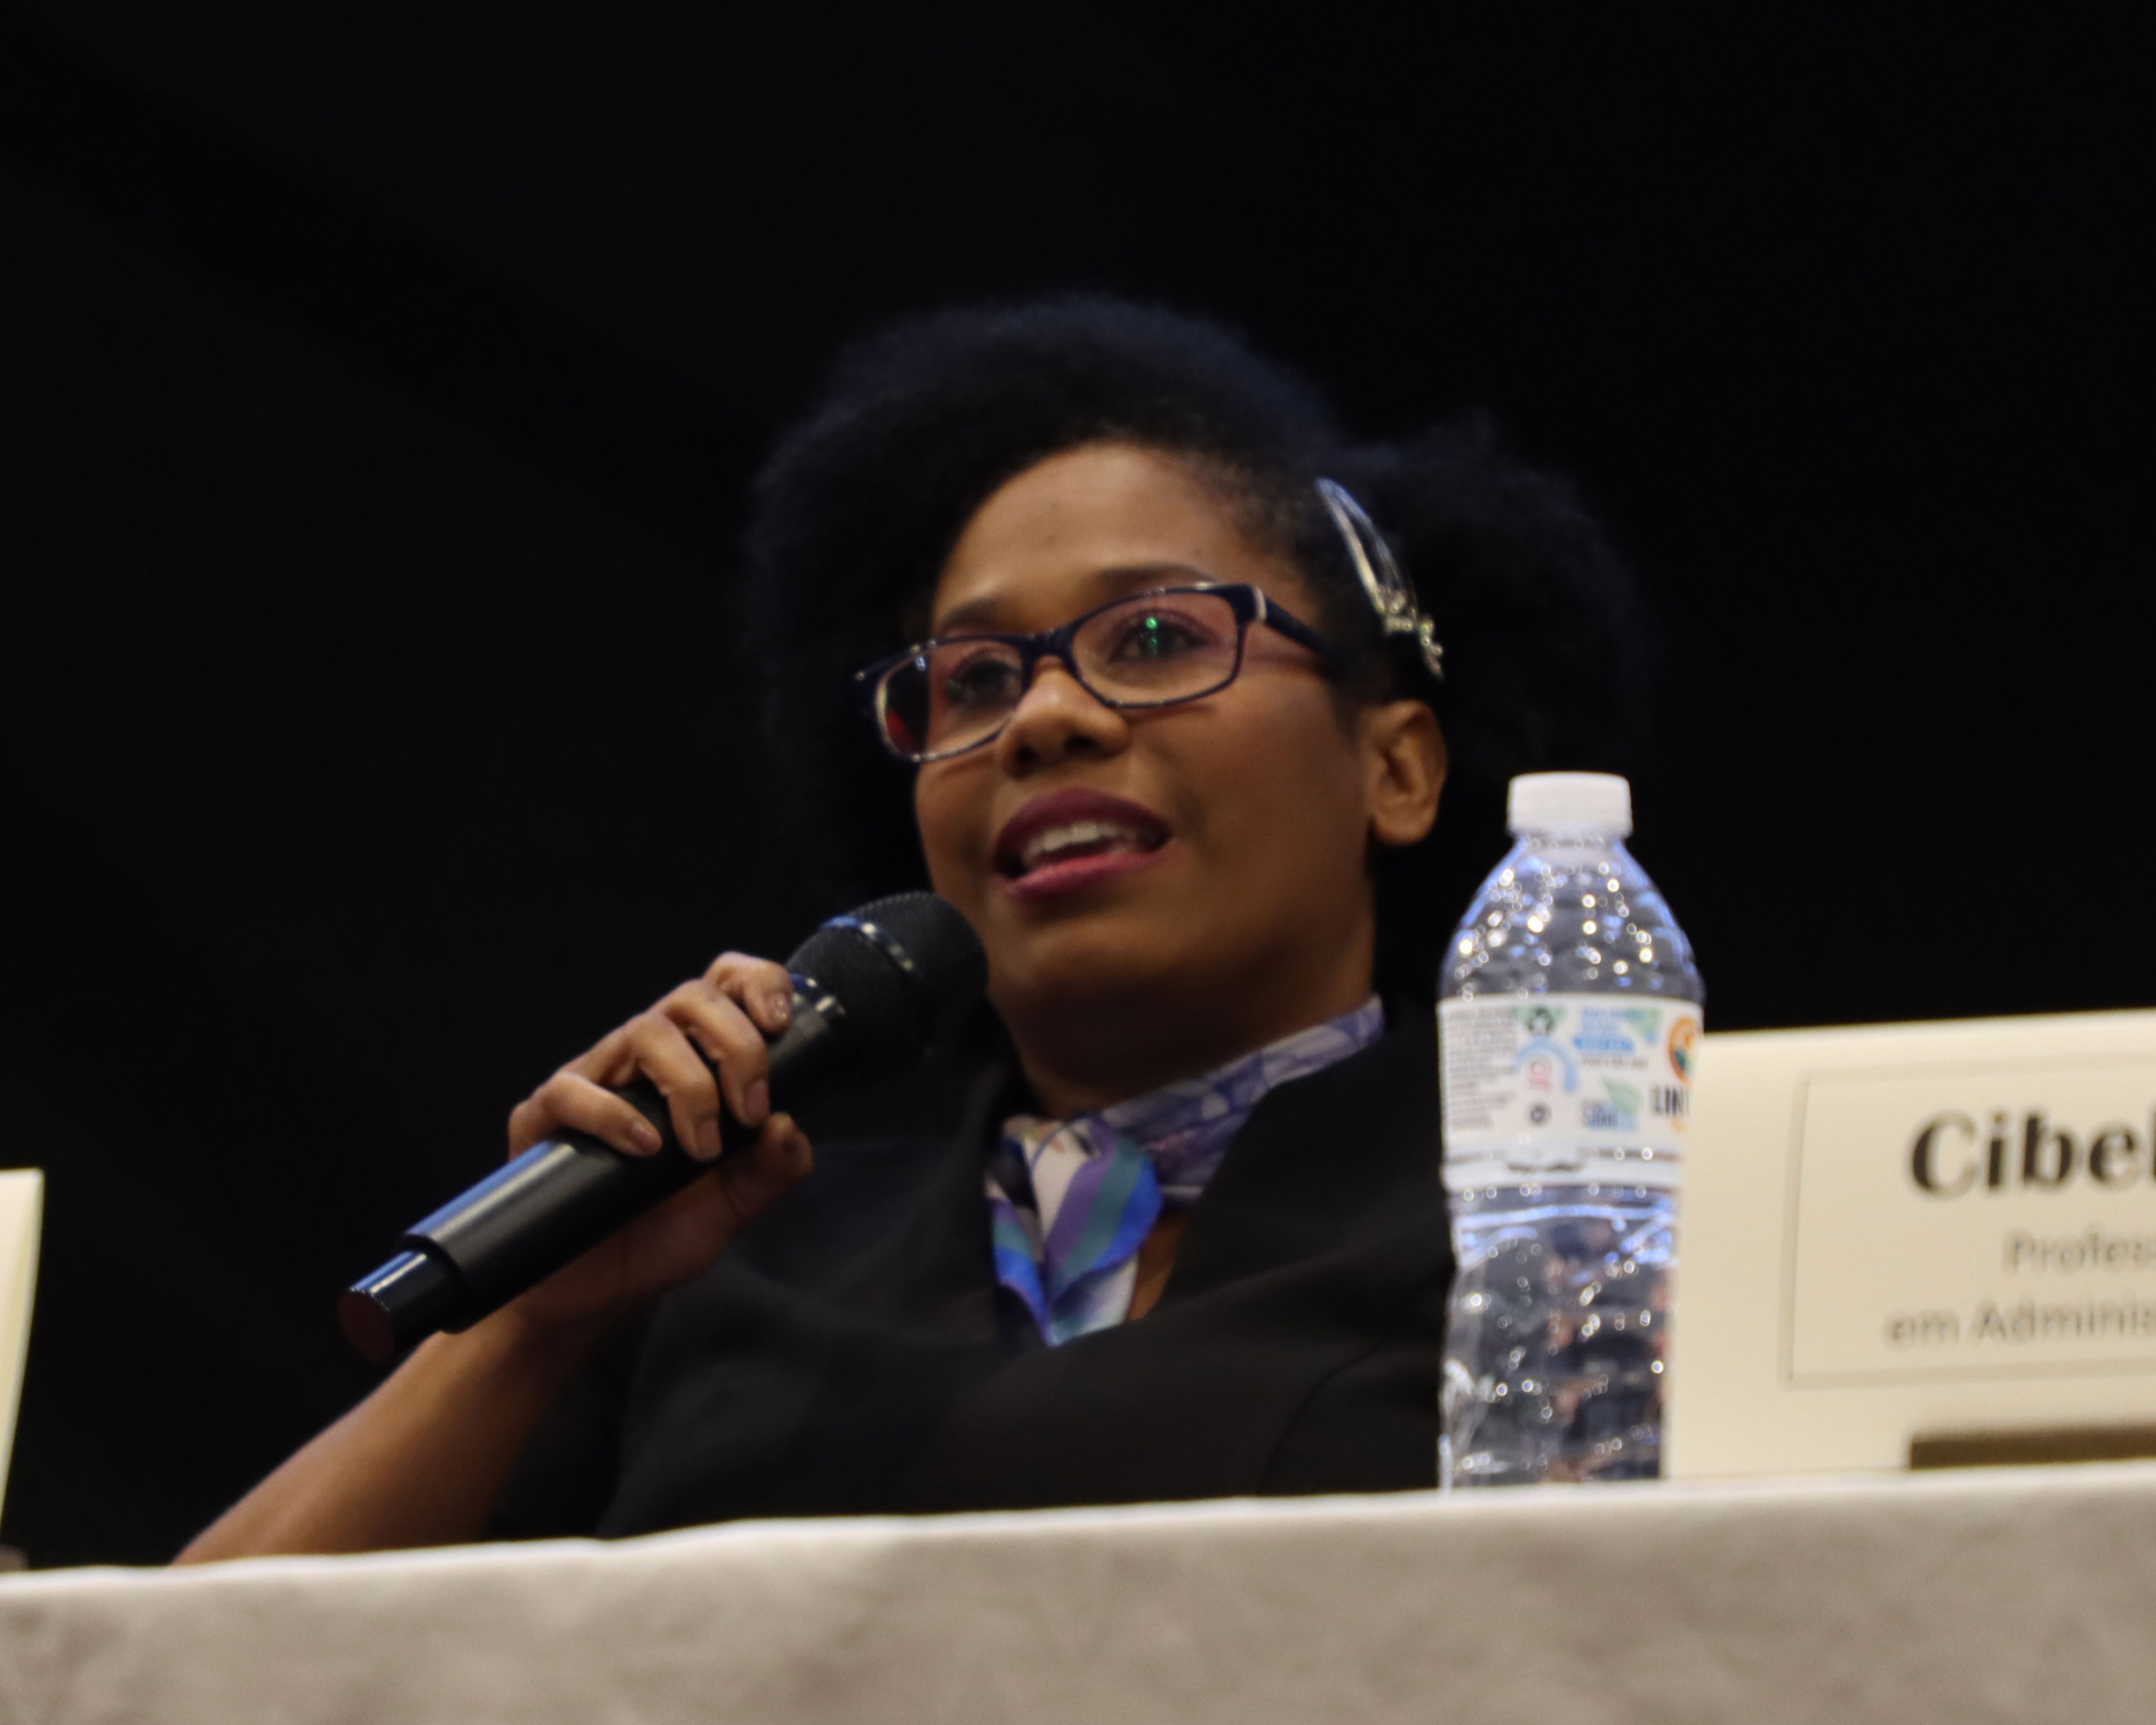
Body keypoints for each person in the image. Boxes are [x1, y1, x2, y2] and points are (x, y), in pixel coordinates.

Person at [182, 297, 1650, 1559]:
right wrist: (531, 1326)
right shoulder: (719, 1260)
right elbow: (166, 1704)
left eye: (1155, 638)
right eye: (975, 679)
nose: (1047, 717)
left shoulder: (1583, 1230)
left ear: (1398, 769)